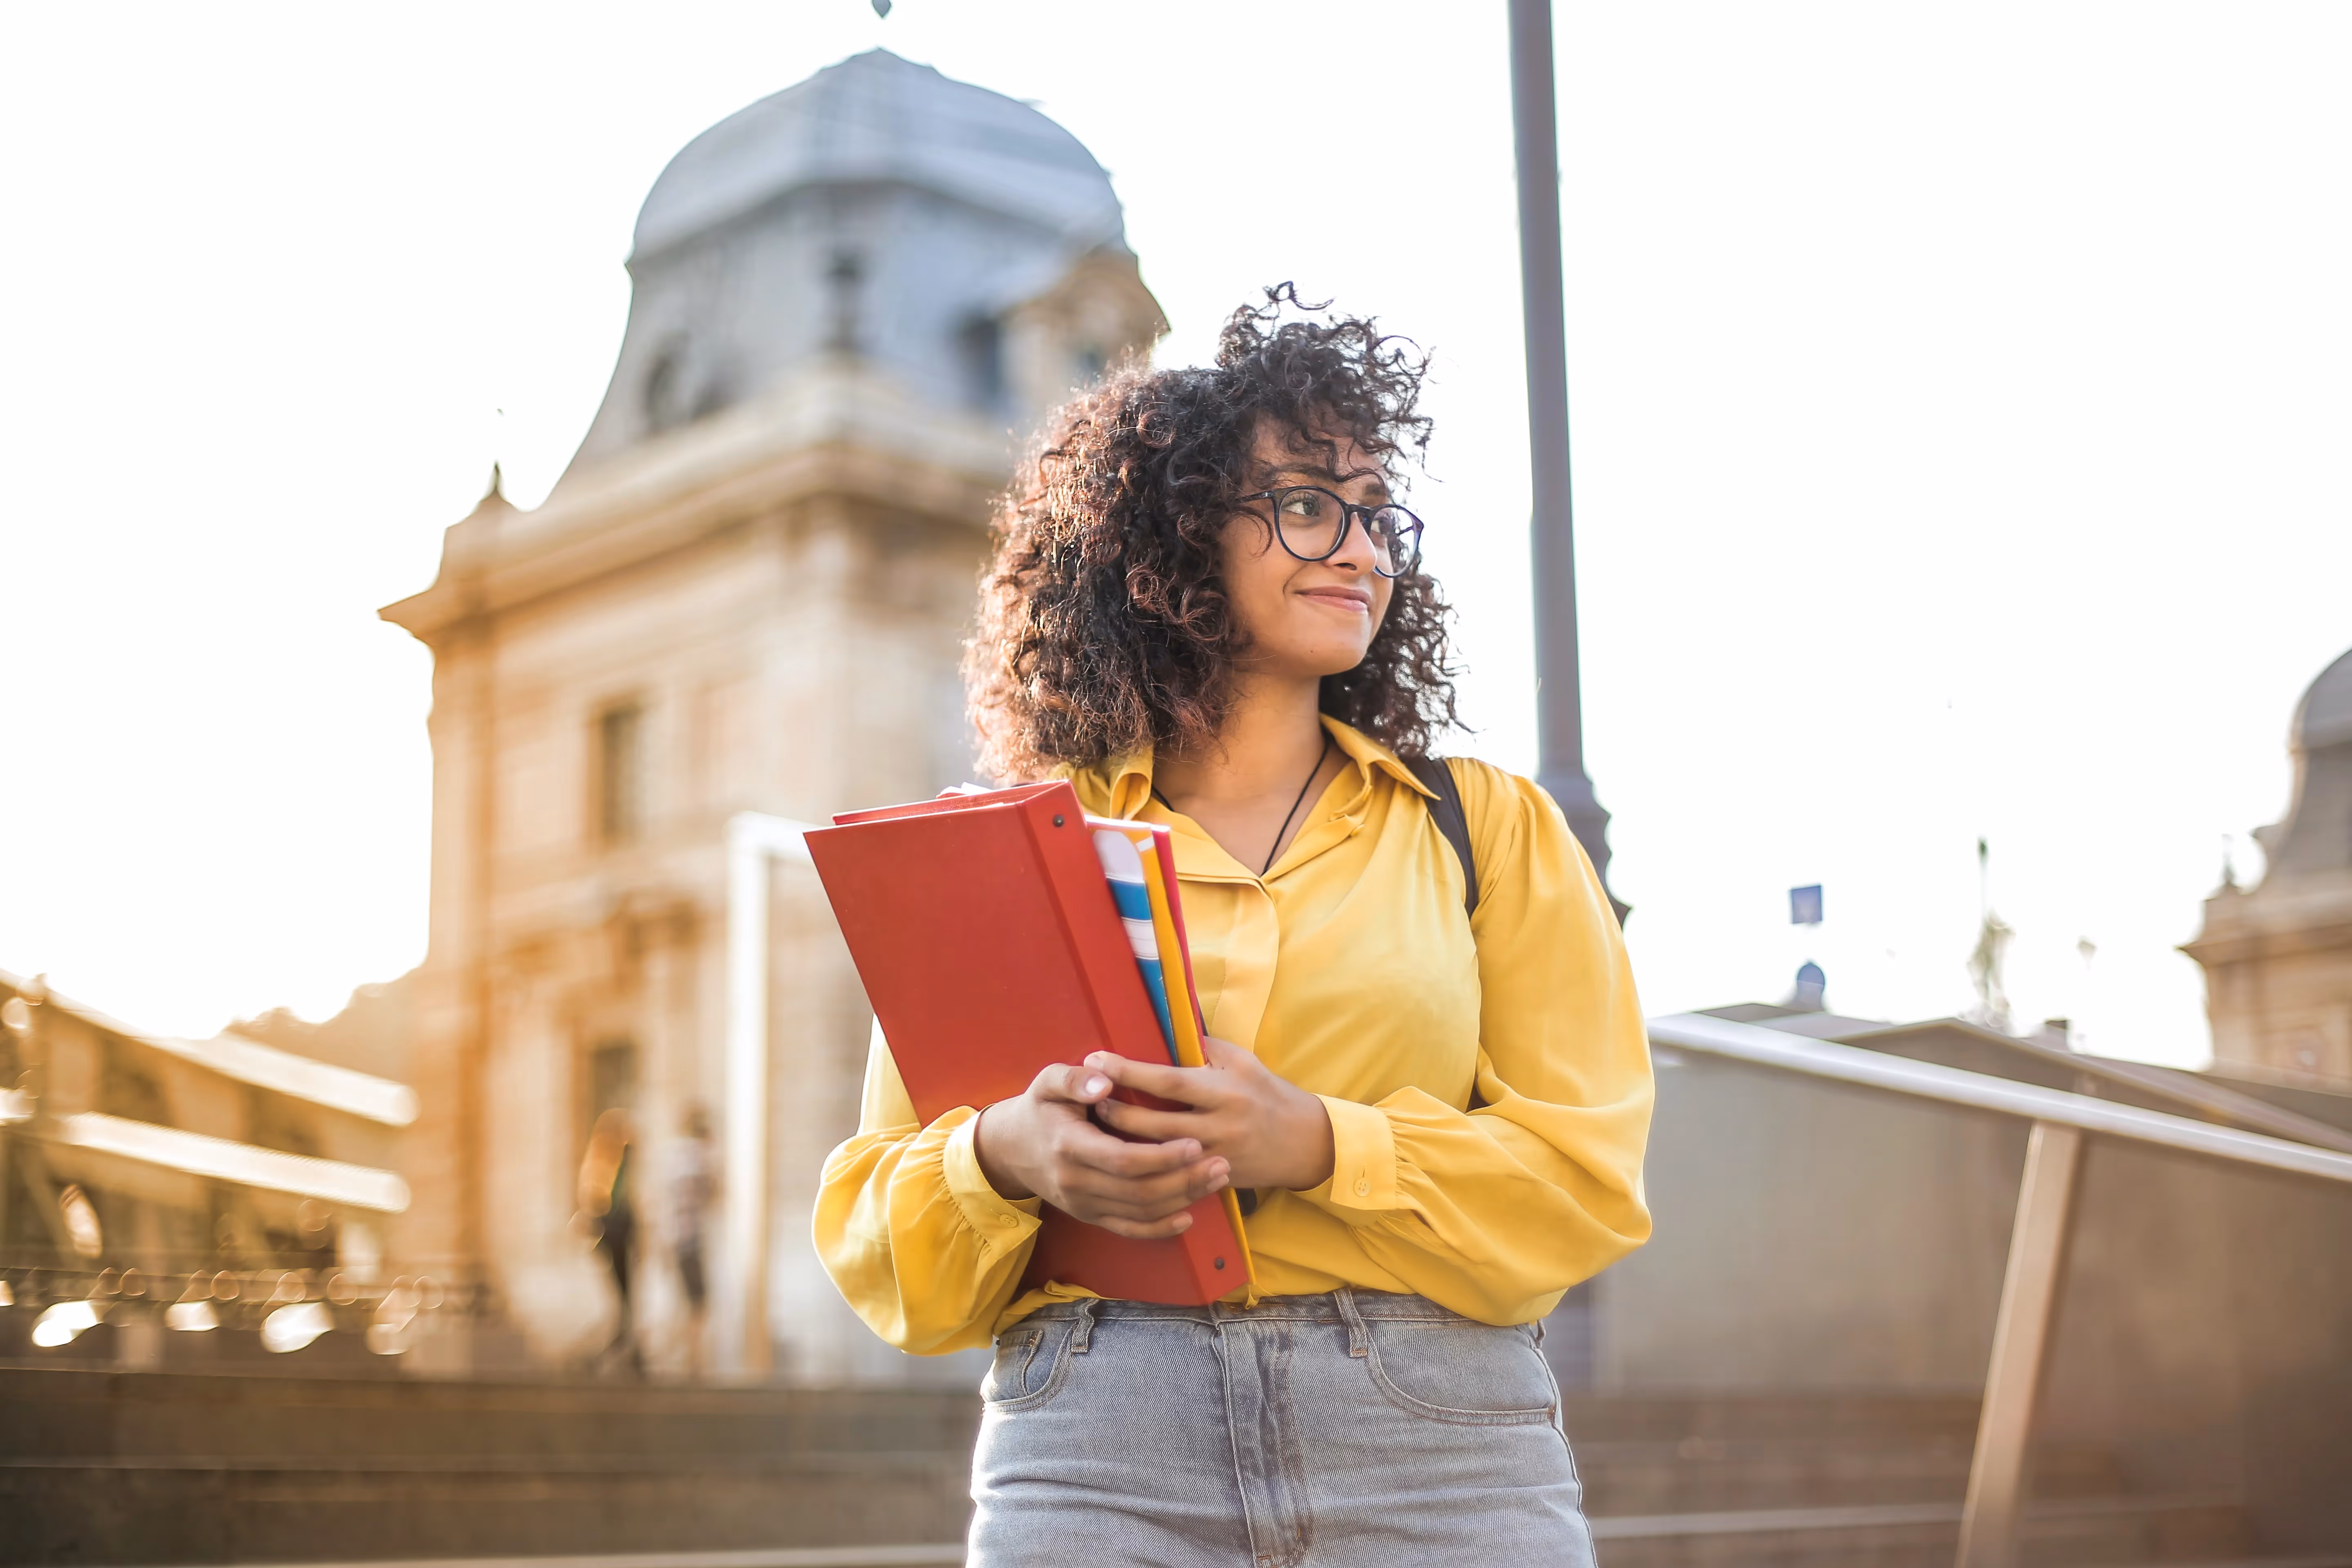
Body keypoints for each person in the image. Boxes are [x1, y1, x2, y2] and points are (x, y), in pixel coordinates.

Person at [814, 287, 1653, 1566]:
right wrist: (1003, 1155)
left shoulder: (1487, 829)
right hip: (1096, 1437)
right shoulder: (1023, 850)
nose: (1364, 547)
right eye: (1311, 503)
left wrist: (1320, 1140)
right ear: (1175, 534)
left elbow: (1586, 1182)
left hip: (1435, 1438)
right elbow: (884, 1234)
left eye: (1379, 515)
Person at [576, 1107, 642, 1376]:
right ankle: (621, 1351)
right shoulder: (604, 1164)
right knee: (621, 1298)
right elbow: (597, 1202)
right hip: (614, 1235)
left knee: (626, 1298)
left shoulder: (619, 1165)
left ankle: (630, 1352)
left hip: (621, 1236)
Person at [666, 1103, 719, 1379]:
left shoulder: (675, 1157)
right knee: (698, 1303)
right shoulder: (697, 1158)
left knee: (688, 1302)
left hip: (676, 1239)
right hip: (691, 1240)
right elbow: (713, 1192)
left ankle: (689, 1357)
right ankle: (693, 1361)